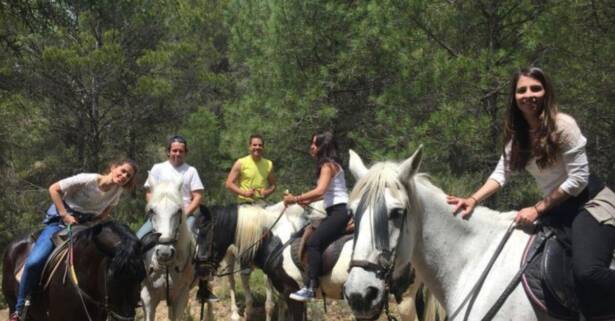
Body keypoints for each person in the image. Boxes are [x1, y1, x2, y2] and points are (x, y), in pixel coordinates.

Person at [447, 67, 615, 317]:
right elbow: (500, 174)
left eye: (536, 88)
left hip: (590, 204)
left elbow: (578, 180)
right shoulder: (519, 138)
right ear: (514, 97)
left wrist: (537, 208)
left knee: (587, 271)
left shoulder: (564, 125)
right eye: (522, 90)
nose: (529, 95)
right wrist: (472, 199)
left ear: (546, 91)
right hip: (557, 209)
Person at [9, 158, 138, 321]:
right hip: (61, 222)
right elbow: (54, 189)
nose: (124, 176)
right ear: (113, 167)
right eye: (123, 171)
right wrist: (65, 215)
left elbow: (107, 210)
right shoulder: (88, 179)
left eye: (128, 176)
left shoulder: (117, 191)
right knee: (35, 261)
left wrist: (96, 221)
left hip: (87, 225)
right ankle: (20, 309)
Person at [135, 135, 218, 302]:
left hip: (185, 216)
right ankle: (135, 285)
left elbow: (197, 196)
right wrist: (156, 208)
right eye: (174, 150)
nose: (177, 153)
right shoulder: (158, 168)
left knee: (203, 245)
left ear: (185, 153)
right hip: (160, 216)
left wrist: (185, 213)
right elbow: (149, 192)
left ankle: (203, 286)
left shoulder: (191, 171)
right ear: (168, 152)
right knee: (136, 240)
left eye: (181, 151)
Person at [283, 131, 350, 301]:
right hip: (338, 210)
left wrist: (295, 198)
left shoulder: (327, 165)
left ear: (323, 146)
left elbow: (320, 191)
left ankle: (311, 287)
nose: (311, 147)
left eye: (314, 144)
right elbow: (323, 194)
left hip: (338, 212)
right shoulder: (333, 164)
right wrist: (305, 199)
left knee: (313, 243)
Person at [225, 134, 276, 205]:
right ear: (249, 147)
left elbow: (273, 186)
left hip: (261, 204)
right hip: (244, 204)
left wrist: (266, 192)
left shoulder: (268, 164)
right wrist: (244, 193)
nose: (257, 147)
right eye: (254, 145)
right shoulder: (241, 162)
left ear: (263, 147)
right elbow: (229, 184)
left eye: (260, 145)